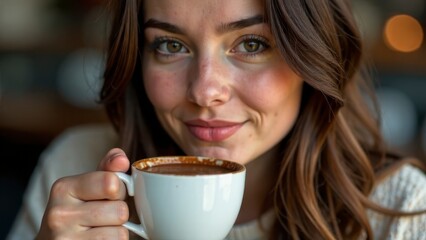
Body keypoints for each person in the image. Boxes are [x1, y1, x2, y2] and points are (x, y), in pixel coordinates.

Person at [7, 0, 426, 239]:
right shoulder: (74, 168)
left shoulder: (401, 210)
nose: (205, 90)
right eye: (170, 45)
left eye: (251, 43)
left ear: (312, 56)